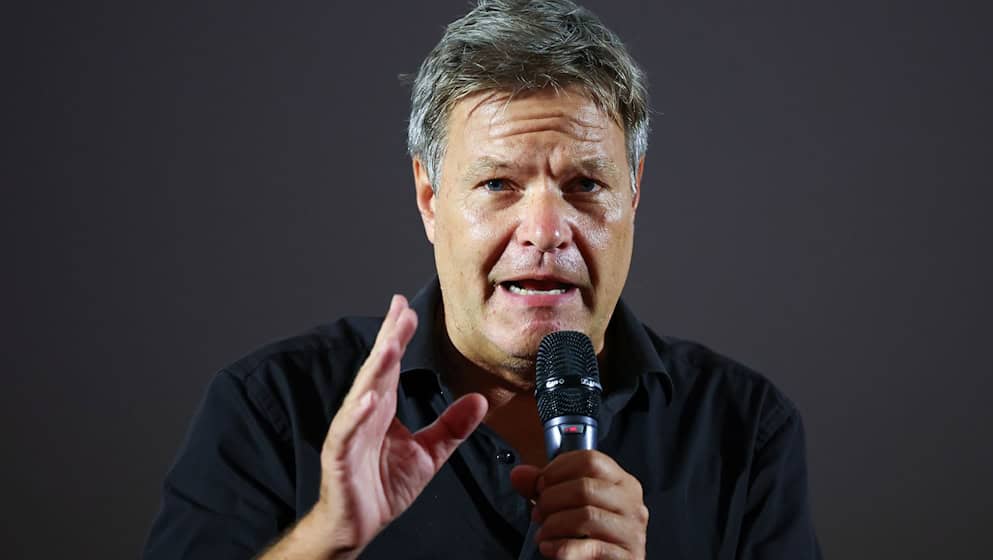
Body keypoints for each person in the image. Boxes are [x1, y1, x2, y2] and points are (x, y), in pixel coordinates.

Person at [144, 1, 822, 558]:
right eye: (498, 183)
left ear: (635, 195)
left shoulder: (745, 431)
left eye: (586, 183)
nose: (547, 229)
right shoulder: (271, 410)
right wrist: (327, 537)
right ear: (430, 197)